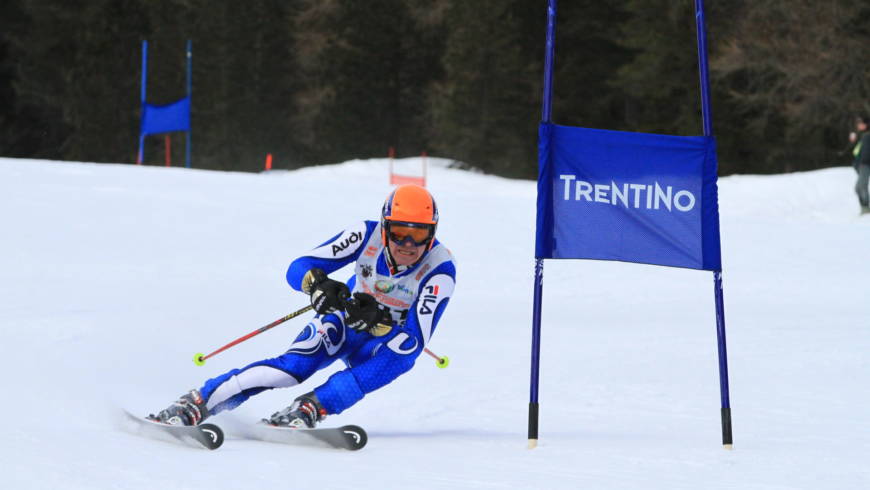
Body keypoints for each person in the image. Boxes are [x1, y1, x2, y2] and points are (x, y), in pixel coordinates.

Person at [151, 184, 456, 428]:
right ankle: (200, 400)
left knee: (403, 355)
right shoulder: (365, 234)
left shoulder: (440, 269)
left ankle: (313, 406)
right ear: (385, 226)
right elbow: (298, 267)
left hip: (380, 342)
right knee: (293, 370)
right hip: (344, 321)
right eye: (400, 232)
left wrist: (378, 322)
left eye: (419, 235)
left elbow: (415, 339)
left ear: (432, 234)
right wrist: (319, 285)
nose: (408, 245)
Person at [850, 115, 870, 214]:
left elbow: (864, 153)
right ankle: (864, 208)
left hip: (865, 165)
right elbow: (856, 151)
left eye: (860, 123)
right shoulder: (863, 135)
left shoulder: (867, 136)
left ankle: (866, 209)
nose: (858, 125)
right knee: (858, 188)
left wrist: (862, 163)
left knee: (862, 186)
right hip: (862, 165)